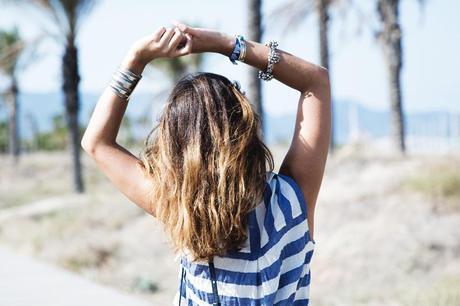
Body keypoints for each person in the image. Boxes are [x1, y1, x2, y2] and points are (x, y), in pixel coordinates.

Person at [81, 22, 331, 306]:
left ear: (175, 146)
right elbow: (316, 81)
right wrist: (225, 44)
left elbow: (96, 142)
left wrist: (136, 58)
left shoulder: (180, 204)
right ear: (245, 128)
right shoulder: (289, 201)